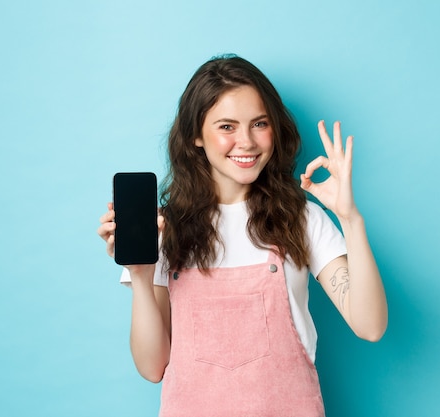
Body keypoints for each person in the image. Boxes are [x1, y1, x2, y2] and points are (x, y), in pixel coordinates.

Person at [97, 54, 387, 417]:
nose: (246, 141)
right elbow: (152, 367)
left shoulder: (301, 219)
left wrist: (350, 218)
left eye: (259, 123)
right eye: (227, 126)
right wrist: (141, 276)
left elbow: (370, 326)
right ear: (195, 137)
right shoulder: (162, 230)